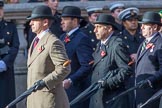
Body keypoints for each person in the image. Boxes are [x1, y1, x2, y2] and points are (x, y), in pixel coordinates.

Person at [26, 5, 71, 108]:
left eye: (34, 20)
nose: (30, 23)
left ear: (45, 22)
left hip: (49, 100)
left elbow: (64, 68)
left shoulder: (53, 42)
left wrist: (44, 82)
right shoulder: (35, 41)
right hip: (34, 100)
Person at [89, 14, 132, 108]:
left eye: (99, 27)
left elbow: (125, 70)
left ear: (109, 28)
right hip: (97, 97)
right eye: (95, 27)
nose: (95, 30)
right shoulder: (100, 45)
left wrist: (107, 83)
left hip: (112, 99)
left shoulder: (117, 45)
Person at [60, 6, 93, 108]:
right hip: (63, 90)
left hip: (76, 91)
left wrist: (71, 80)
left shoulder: (81, 38)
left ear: (74, 21)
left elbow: (86, 65)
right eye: (62, 19)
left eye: (65, 19)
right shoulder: (63, 37)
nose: (62, 22)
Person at [118, 7, 144, 108]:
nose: (134, 22)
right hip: (126, 80)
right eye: (130, 20)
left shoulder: (143, 37)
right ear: (124, 23)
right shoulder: (119, 38)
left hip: (141, 76)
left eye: (135, 20)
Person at [135, 11, 162, 108]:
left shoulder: (160, 43)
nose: (141, 27)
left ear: (154, 27)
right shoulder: (143, 43)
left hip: (152, 92)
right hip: (140, 92)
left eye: (145, 25)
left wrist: (150, 80)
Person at [0, 1, 20, 108]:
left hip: (5, 70)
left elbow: (15, 46)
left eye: (1, 9)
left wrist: (4, 62)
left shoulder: (10, 27)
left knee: (6, 101)